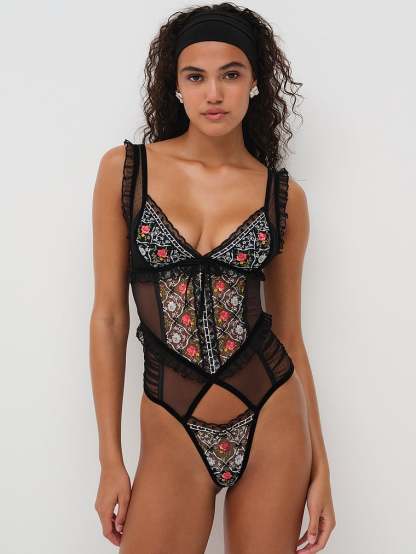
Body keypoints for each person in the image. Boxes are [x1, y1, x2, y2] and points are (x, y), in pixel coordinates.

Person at [90, 4, 336, 553]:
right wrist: (110, 460)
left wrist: (322, 467)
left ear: (255, 83)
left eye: (231, 74)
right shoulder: (126, 172)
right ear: (176, 87)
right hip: (171, 421)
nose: (214, 93)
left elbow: (291, 338)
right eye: (195, 77)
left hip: (272, 415)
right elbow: (108, 318)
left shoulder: (283, 198)